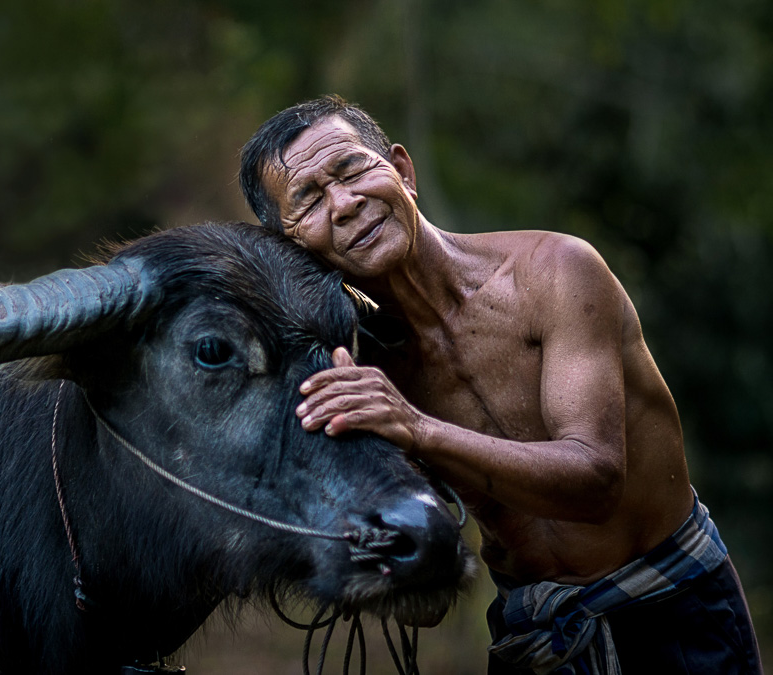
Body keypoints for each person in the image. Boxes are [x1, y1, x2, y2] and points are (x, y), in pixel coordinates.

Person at [239, 95, 762, 674]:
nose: (344, 203)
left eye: (352, 169)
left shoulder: (554, 273)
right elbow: (424, 609)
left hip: (673, 612)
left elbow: (595, 482)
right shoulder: (363, 377)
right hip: (533, 636)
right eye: (309, 200)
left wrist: (415, 429)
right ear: (291, 247)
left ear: (403, 171)